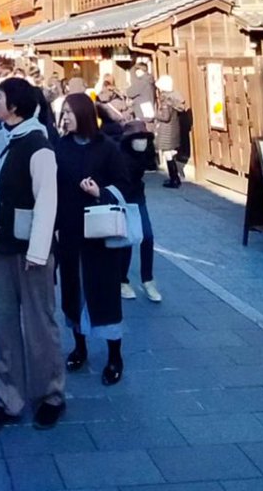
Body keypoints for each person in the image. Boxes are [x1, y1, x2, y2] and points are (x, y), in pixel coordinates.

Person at [0, 77, 63, 434]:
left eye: (0, 97)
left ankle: (50, 395)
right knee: (3, 322)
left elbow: (48, 202)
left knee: (40, 323)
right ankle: (7, 398)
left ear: (15, 106)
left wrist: (38, 252)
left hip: (29, 252)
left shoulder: (38, 145)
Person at [55, 90, 131, 386]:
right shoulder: (60, 147)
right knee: (73, 289)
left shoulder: (107, 148)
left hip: (102, 233)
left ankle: (115, 354)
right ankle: (80, 346)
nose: (65, 119)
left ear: (85, 115)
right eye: (63, 114)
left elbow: (125, 183)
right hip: (71, 231)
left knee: (104, 292)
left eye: (70, 114)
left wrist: (100, 192)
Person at [118, 120, 161, 303]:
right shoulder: (119, 156)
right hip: (122, 198)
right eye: (138, 138)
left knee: (147, 236)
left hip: (137, 197)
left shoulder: (144, 155)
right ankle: (122, 280)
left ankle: (147, 280)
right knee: (127, 239)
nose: (142, 142)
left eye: (144, 138)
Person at [154, 75, 187, 188]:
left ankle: (174, 179)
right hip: (173, 129)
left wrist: (154, 114)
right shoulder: (174, 98)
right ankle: (175, 178)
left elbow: (165, 116)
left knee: (168, 154)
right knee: (170, 153)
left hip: (166, 130)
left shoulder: (165, 100)